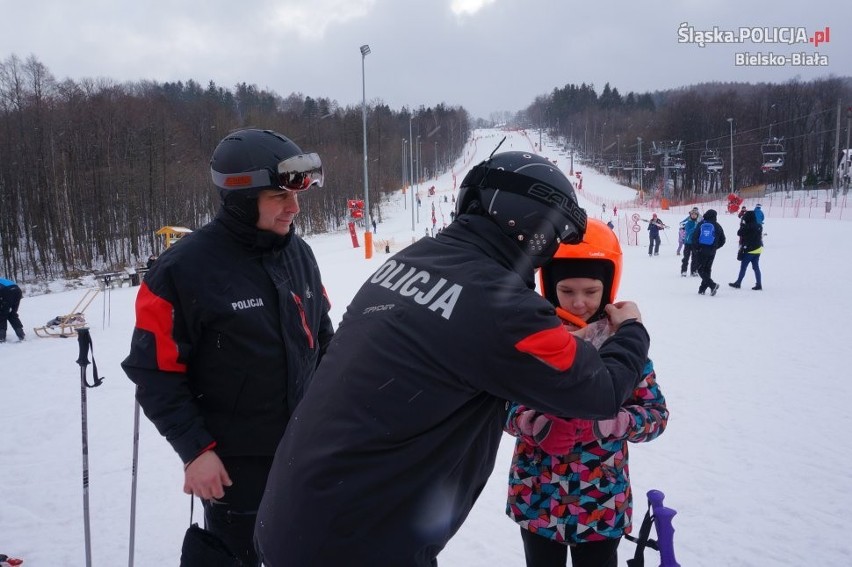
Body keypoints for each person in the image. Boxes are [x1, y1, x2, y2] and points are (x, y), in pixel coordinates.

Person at [256, 150, 651, 566]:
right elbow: (600, 392)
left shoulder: (409, 261)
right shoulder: (500, 303)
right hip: (357, 538)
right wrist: (630, 331)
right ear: (532, 226)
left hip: (303, 513)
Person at [121, 128, 334, 566]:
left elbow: (323, 339)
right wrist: (195, 450)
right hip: (236, 465)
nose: (294, 208)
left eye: (296, 197)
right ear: (240, 198)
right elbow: (155, 373)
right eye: (279, 198)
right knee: (240, 555)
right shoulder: (181, 270)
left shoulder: (300, 254)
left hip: (305, 447)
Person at [505, 219, 669, 567]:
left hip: (601, 501)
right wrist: (533, 423)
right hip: (538, 495)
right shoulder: (529, 336)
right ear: (549, 287)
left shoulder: (622, 345)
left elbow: (656, 415)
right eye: (567, 290)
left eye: (590, 291)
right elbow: (499, 400)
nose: (579, 303)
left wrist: (610, 422)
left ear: (607, 288)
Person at [693, 209, 726, 295]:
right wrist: (715, 247)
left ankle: (712, 285)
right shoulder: (718, 226)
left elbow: (695, 236)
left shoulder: (701, 224)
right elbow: (723, 240)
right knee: (707, 269)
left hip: (701, 250)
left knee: (700, 270)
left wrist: (696, 248)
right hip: (712, 251)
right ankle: (702, 289)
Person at [729, 210, 764, 290]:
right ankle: (759, 284)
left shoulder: (747, 226)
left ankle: (738, 283)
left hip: (749, 250)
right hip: (758, 249)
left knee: (743, 267)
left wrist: (742, 225)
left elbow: (739, 233)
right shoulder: (759, 226)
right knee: (756, 267)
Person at [0, 277, 26, 342]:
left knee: (2, 315)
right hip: (17, 291)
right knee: (12, 314)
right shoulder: (2, 279)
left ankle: (1, 337)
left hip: (6, 292)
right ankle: (21, 335)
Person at [680, 207, 700, 277]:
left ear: (697, 216)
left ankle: (694, 271)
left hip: (695, 243)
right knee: (686, 258)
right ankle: (684, 271)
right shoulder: (688, 223)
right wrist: (695, 227)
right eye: (692, 214)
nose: (694, 215)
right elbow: (688, 232)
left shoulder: (698, 223)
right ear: (690, 215)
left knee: (695, 258)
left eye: (695, 214)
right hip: (688, 243)